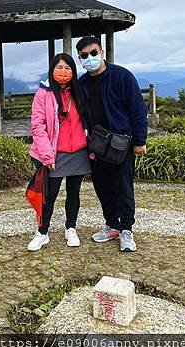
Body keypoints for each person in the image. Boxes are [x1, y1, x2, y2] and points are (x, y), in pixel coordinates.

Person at [76, 36, 148, 252]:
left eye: (93, 53)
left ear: (102, 52)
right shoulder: (82, 83)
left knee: (123, 187)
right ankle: (112, 225)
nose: (90, 58)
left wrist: (140, 141)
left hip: (121, 143)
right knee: (102, 187)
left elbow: (137, 109)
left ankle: (127, 229)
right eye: (85, 56)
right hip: (97, 145)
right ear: (80, 59)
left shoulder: (122, 76)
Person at [27, 53, 91, 251]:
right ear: (52, 70)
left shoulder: (79, 91)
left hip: (79, 151)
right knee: (49, 195)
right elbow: (37, 126)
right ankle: (42, 232)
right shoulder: (43, 94)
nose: (63, 72)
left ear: (73, 71)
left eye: (67, 68)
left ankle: (70, 228)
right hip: (54, 153)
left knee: (74, 193)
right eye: (59, 67)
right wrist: (47, 155)